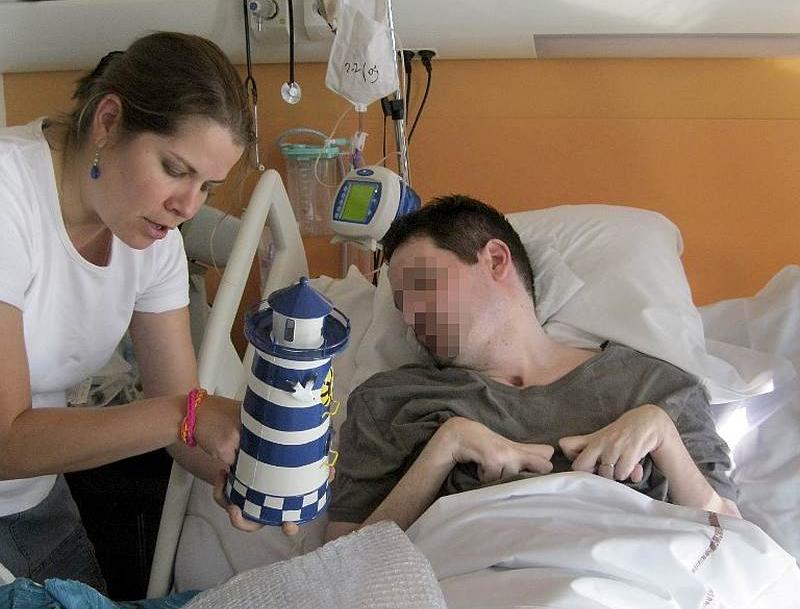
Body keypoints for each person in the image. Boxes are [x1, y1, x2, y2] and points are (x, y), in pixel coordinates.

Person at [325, 194, 741, 541]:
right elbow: (339, 564)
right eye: (401, 304)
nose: (412, 314)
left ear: (495, 259)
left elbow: (736, 542)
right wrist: (442, 451)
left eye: (423, 284)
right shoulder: (390, 400)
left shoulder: (656, 386)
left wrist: (662, 433)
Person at [0, 32, 257, 589]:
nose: (186, 206)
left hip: (37, 493)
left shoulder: (154, 245)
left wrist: (247, 474)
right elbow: (5, 440)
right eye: (174, 168)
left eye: (207, 187)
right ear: (109, 120)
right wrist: (186, 415)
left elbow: (179, 416)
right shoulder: (8, 196)